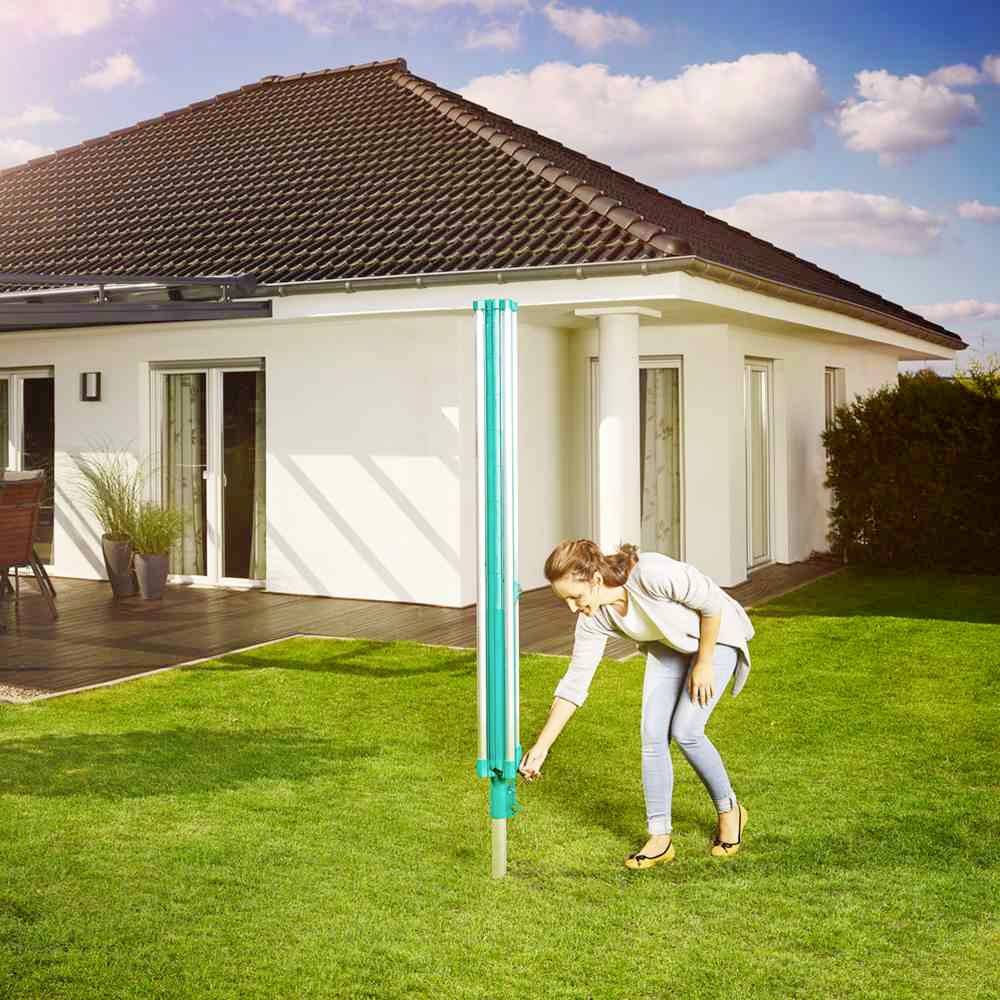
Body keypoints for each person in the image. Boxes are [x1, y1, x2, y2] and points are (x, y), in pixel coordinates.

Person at [518, 539, 755, 869]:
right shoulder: (593, 618)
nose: (573, 607)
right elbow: (575, 682)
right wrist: (542, 747)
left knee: (686, 730)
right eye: (566, 601)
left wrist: (704, 662)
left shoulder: (651, 573)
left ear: (596, 580)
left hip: (715, 637)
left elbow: (712, 604)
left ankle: (731, 812)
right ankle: (660, 839)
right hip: (668, 645)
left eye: (576, 597)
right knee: (652, 734)